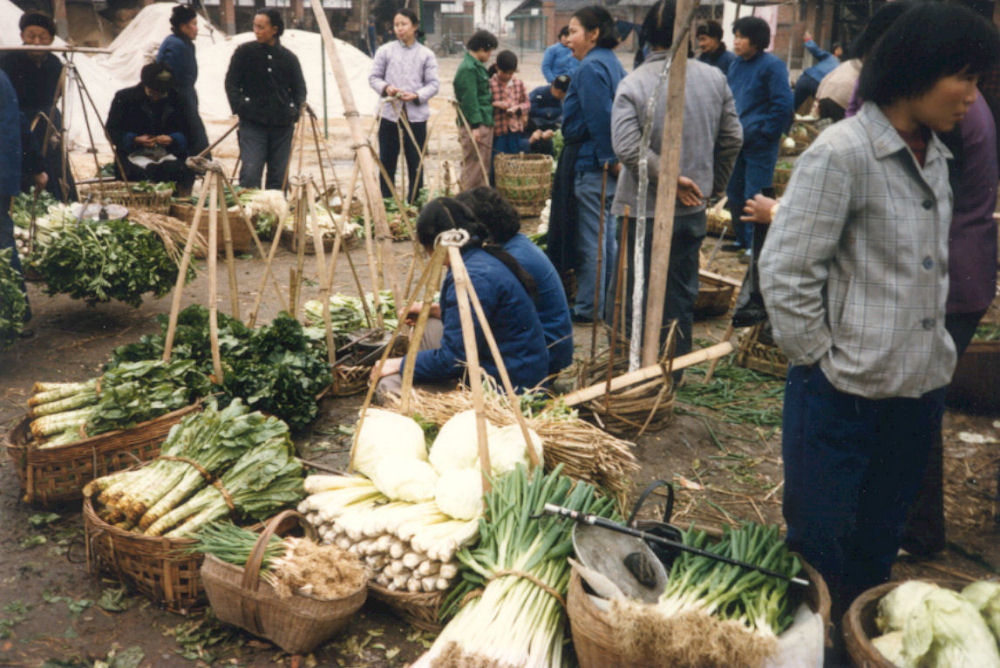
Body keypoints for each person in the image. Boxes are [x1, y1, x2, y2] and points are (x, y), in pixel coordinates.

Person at [758, 2, 999, 641]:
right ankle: (815, 651)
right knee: (822, 547)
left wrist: (933, 358)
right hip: (842, 398)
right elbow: (787, 270)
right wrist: (823, 360)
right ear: (917, 71)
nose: (973, 98)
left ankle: (856, 650)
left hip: (913, 393)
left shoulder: (936, 158)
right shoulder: (844, 154)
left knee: (878, 543)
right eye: (965, 78)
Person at [610, 0, 742, 360]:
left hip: (642, 215)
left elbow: (625, 148)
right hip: (690, 211)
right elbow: (733, 139)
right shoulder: (715, 79)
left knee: (634, 295)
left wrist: (670, 179)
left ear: (648, 35)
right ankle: (671, 375)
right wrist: (711, 185)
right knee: (680, 296)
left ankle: (632, 375)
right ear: (692, 36)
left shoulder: (634, 82)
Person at [372, 197, 549, 396]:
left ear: (435, 244)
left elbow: (454, 359)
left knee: (388, 385)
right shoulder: (481, 256)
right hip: (517, 364)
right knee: (429, 325)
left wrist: (399, 364)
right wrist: (432, 309)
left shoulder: (470, 277)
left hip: (507, 384)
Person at [551, 5, 626, 323]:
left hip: (593, 165)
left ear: (594, 34)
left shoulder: (591, 68)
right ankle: (603, 305)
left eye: (574, 31)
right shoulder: (611, 64)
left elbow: (601, 117)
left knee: (592, 240)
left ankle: (589, 308)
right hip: (600, 163)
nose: (568, 39)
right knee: (605, 237)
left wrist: (610, 158)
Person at [456, 187, 573, 376]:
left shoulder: (511, 259)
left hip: (545, 354)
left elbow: (483, 316)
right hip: (545, 347)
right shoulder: (515, 244)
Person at [723, 15, 793, 262]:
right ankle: (741, 239)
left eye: (742, 37)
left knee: (756, 194)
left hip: (759, 143)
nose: (737, 42)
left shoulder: (772, 65)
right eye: (736, 36)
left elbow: (783, 103)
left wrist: (766, 133)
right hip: (737, 141)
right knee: (735, 192)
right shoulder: (735, 65)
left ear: (756, 41)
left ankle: (756, 245)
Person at [225, 9, 306, 190]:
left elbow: (300, 89)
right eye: (255, 26)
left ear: (274, 29)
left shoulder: (289, 58)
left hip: (282, 126)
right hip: (253, 124)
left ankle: (275, 216)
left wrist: (294, 110)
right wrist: (240, 107)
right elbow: (231, 83)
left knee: (279, 177)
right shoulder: (244, 53)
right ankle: (247, 216)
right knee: (251, 174)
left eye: (261, 27)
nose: (256, 31)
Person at [0, 11, 75, 201]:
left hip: (47, 117)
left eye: (42, 37)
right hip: (19, 119)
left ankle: (60, 202)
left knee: (54, 162)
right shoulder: (8, 60)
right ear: (22, 37)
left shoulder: (55, 63)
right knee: (25, 162)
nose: (37, 41)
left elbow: (56, 95)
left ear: (50, 39)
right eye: (31, 36)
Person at [369, 8, 440, 203]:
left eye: (404, 24)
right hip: (389, 113)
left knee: (415, 161)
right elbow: (374, 78)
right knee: (387, 160)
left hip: (415, 114)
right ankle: (388, 203)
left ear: (415, 26)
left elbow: (434, 84)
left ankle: (414, 203)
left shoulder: (426, 54)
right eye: (396, 25)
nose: (399, 29)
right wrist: (387, 88)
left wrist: (416, 95)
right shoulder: (385, 51)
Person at [1, 68, 45, 331]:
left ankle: (18, 315)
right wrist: (37, 166)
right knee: (3, 243)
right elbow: (18, 122)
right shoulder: (4, 78)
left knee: (2, 242)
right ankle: (19, 314)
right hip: (4, 178)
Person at [106, 62, 194, 191]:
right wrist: (134, 140)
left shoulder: (179, 100)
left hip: (168, 155)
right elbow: (111, 131)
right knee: (139, 178)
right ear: (144, 85)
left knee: (178, 171)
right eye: (152, 93)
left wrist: (173, 139)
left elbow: (192, 133)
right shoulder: (125, 98)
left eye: (161, 94)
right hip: (133, 155)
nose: (156, 98)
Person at [156, 5, 210, 162]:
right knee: (191, 139)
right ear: (183, 26)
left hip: (185, 96)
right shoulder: (175, 45)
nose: (196, 28)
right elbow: (166, 76)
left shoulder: (181, 42)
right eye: (193, 24)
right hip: (178, 100)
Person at [453, 30, 497, 191]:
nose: (490, 55)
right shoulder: (468, 69)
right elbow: (469, 100)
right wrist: (475, 126)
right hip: (476, 125)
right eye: (490, 51)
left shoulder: (476, 66)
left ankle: (477, 204)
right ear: (482, 48)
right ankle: (466, 204)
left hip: (484, 121)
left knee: (481, 168)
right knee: (473, 168)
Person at [490, 51, 531, 159]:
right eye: (505, 72)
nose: (508, 76)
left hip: (515, 130)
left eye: (511, 73)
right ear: (497, 67)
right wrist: (496, 104)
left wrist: (518, 108)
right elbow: (484, 104)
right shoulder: (490, 84)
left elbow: (527, 103)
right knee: (498, 161)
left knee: (514, 161)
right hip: (498, 130)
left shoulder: (518, 84)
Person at [793, 31, 839, 113]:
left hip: (806, 78)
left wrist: (808, 40)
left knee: (792, 106)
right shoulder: (841, 68)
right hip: (818, 85)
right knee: (820, 111)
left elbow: (816, 51)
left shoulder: (831, 57)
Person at [527, 74, 569, 155]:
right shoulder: (539, 93)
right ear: (559, 92)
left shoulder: (559, 100)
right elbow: (531, 109)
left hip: (551, 131)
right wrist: (548, 113)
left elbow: (561, 112)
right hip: (534, 131)